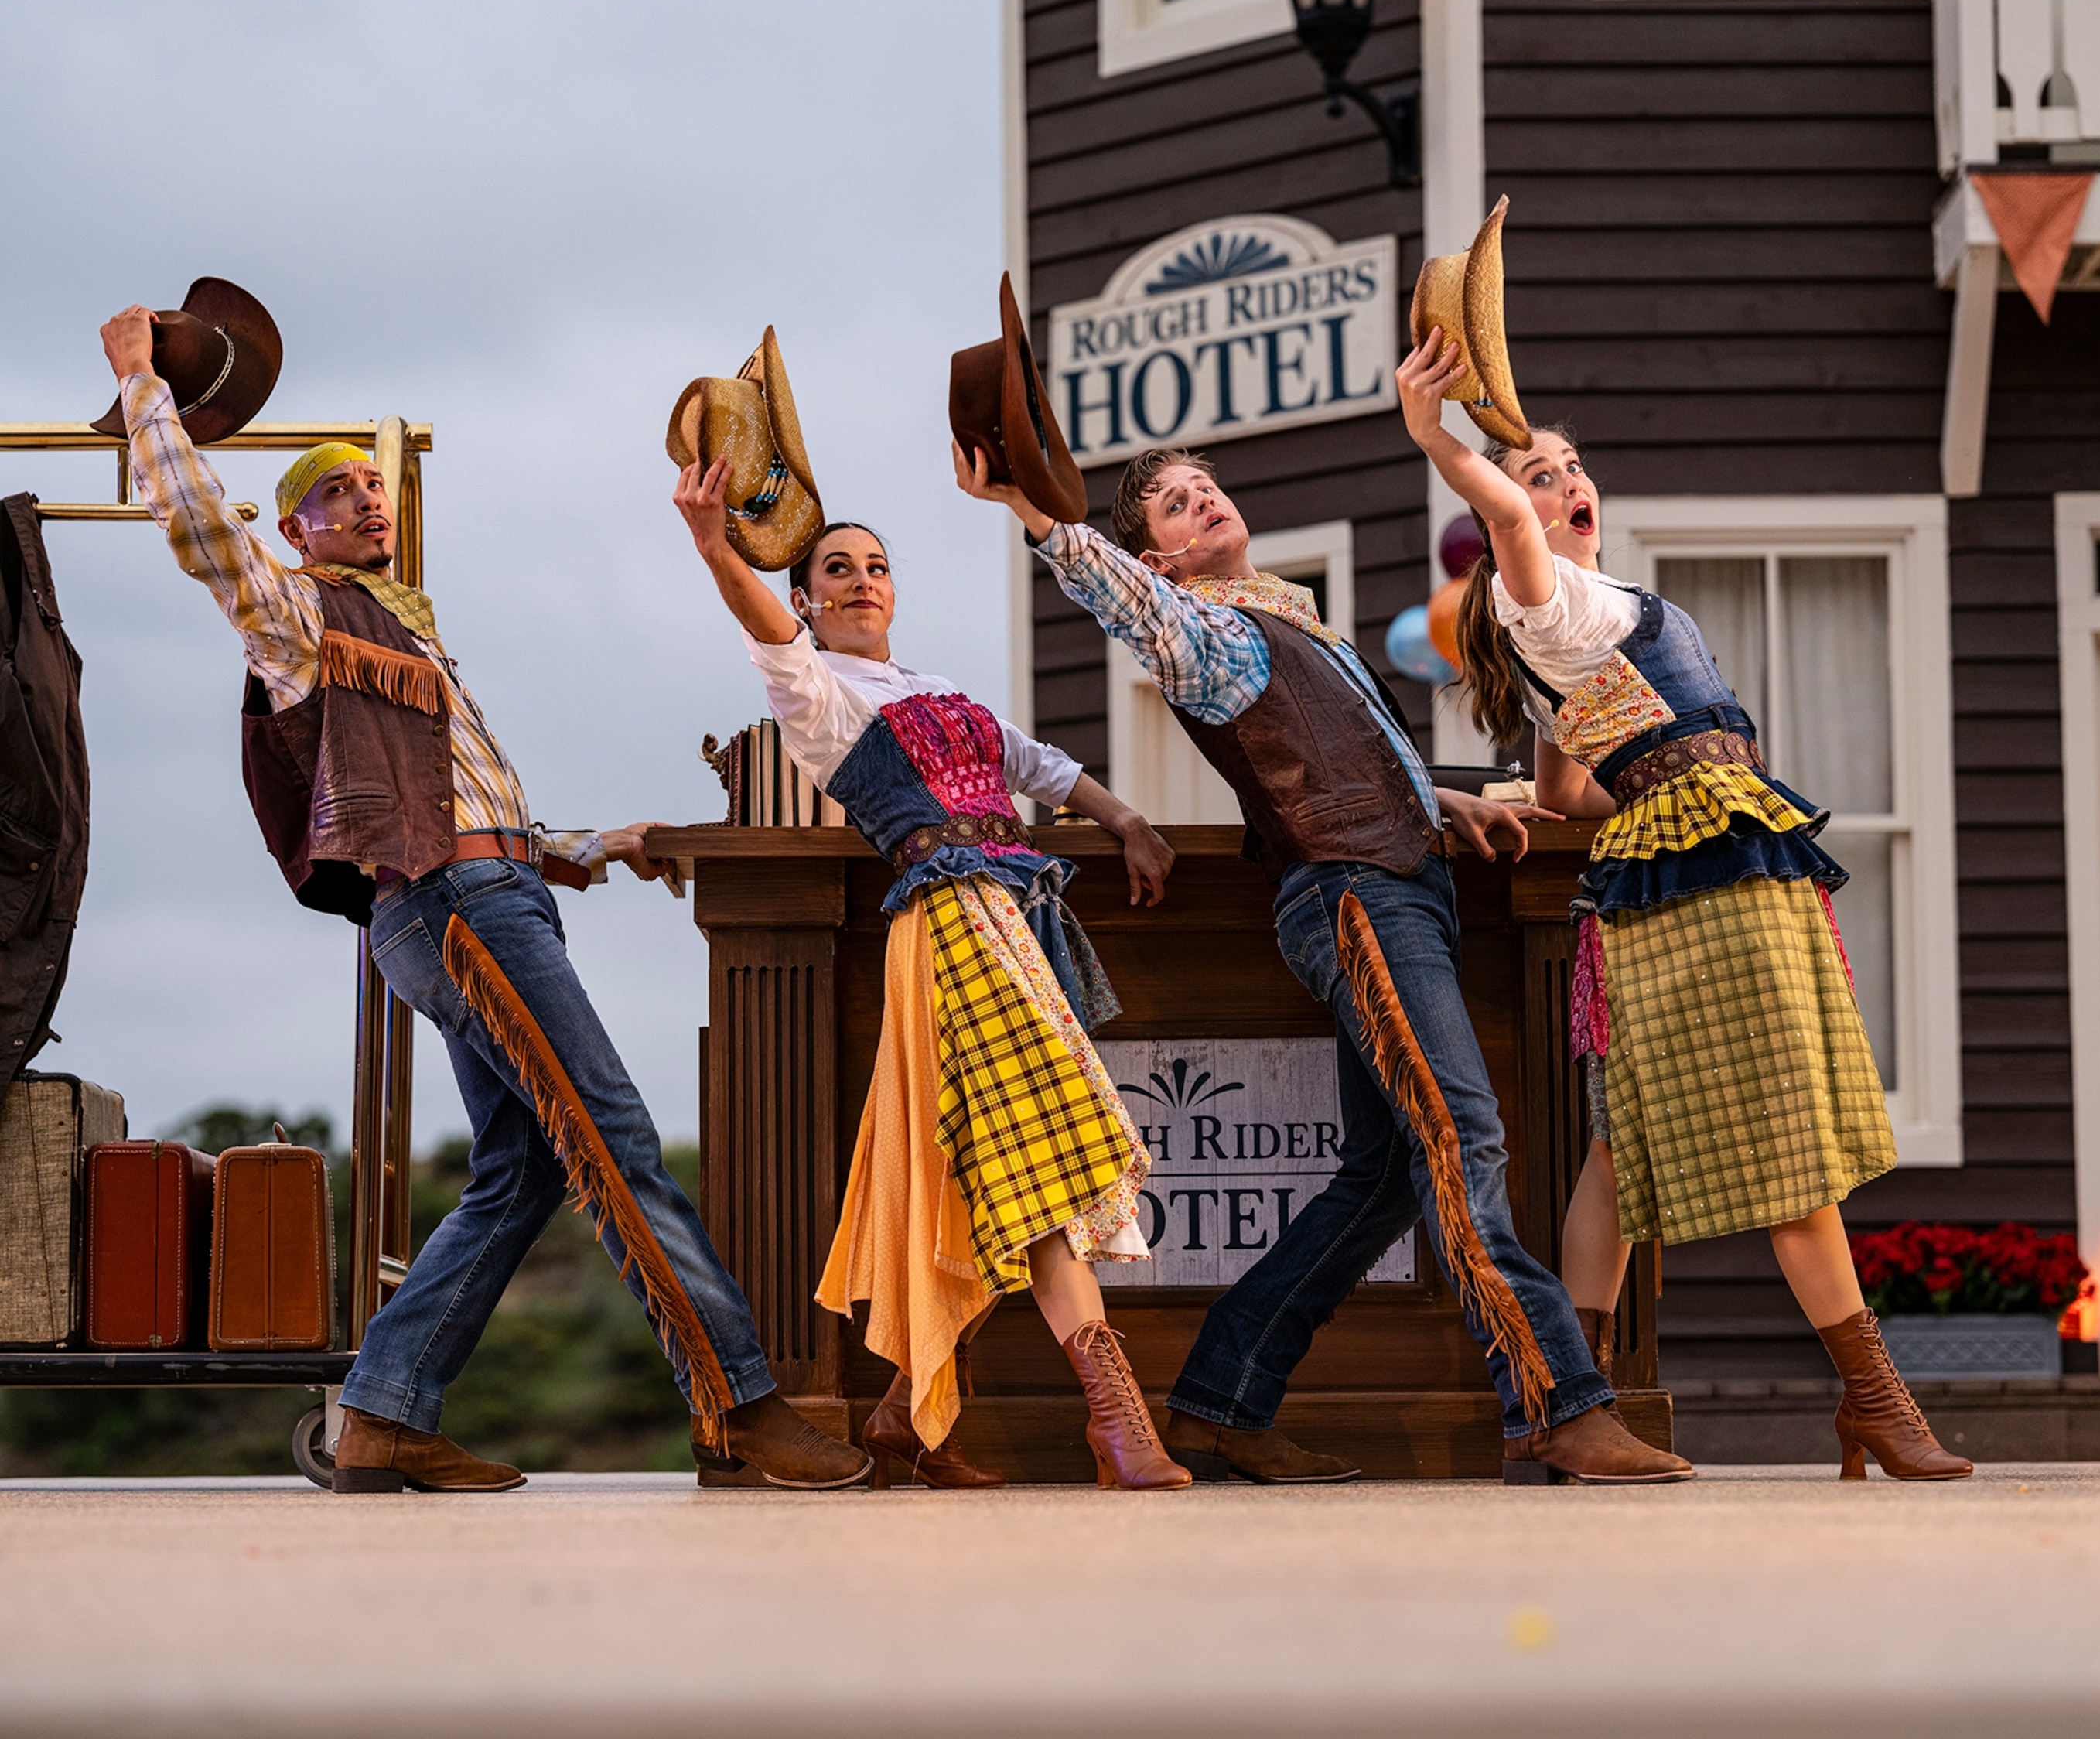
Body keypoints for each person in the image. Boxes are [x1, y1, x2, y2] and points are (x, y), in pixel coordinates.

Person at [101, 306, 870, 1493]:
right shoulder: (297, 613)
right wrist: (142, 384)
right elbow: (204, 532)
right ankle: (740, 1402)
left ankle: (381, 1417)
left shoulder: (402, 633)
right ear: (296, 528)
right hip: (458, 905)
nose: (368, 501)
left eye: (373, 486)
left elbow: (453, 795)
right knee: (613, 1136)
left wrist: (586, 845)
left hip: (479, 892)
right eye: (337, 492)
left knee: (525, 1167)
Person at [956, 437, 1694, 1487]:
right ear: (1159, 561)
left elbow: (1345, 749)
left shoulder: (1285, 617)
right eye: (1175, 505)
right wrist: (1041, 518)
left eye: (1205, 486)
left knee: (1386, 1175)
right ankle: (1555, 1406)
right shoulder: (1203, 628)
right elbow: (1127, 604)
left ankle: (1221, 1403)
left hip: (1396, 883)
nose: (1202, 500)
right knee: (1462, 1135)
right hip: (1355, 896)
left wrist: (1445, 798)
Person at [1395, 327, 1973, 1481]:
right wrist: (1435, 439)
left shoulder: (1581, 610)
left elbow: (1572, 792)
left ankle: (1571, 1409)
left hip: (1678, 863)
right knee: (1788, 1136)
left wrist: (1521, 791)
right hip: (1708, 868)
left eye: (1572, 465)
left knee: (1618, 1151)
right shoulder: (1540, 591)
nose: (1567, 482)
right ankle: (1874, 1401)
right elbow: (1506, 526)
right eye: (1540, 474)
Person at [674, 460, 1192, 1490]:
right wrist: (715, 546)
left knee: (991, 1169)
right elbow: (763, 631)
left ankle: (907, 1415)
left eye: (876, 566)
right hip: (949, 921)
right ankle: (1116, 1419)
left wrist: (1127, 818)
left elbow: (1037, 765)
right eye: (837, 569)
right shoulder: (818, 695)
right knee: (1047, 1147)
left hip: (1015, 919)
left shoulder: (940, 692)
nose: (862, 580)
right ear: (806, 599)